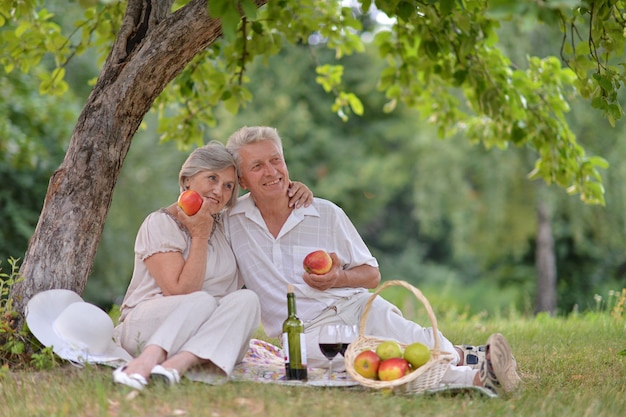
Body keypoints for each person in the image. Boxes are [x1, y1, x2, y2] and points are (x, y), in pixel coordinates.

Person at [224, 126, 521, 395]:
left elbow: (371, 275)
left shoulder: (324, 213)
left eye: (276, 160)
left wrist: (338, 278)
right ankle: (477, 377)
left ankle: (468, 358)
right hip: (306, 333)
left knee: (419, 342)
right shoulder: (231, 222)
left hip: (356, 306)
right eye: (257, 166)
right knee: (381, 359)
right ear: (241, 179)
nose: (271, 171)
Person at [112, 141, 312, 390]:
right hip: (147, 327)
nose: (219, 191)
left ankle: (176, 366)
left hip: (207, 332)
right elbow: (181, 292)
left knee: (248, 299)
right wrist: (199, 236)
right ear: (187, 180)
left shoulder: (225, 225)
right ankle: (147, 360)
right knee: (202, 299)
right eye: (212, 178)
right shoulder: (160, 223)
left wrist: (292, 189)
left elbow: (264, 202)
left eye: (228, 186)